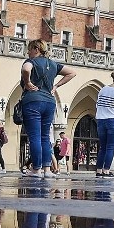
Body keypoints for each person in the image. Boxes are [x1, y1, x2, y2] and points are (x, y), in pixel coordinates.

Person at [20, 39, 77, 178]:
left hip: (32, 101)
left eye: (29, 49)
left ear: (36, 49)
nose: (28, 52)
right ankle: (47, 170)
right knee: (45, 137)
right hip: (49, 102)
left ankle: (36, 169)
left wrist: (27, 82)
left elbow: (26, 69)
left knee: (35, 137)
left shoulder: (31, 61)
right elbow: (72, 73)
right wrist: (56, 86)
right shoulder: (53, 64)